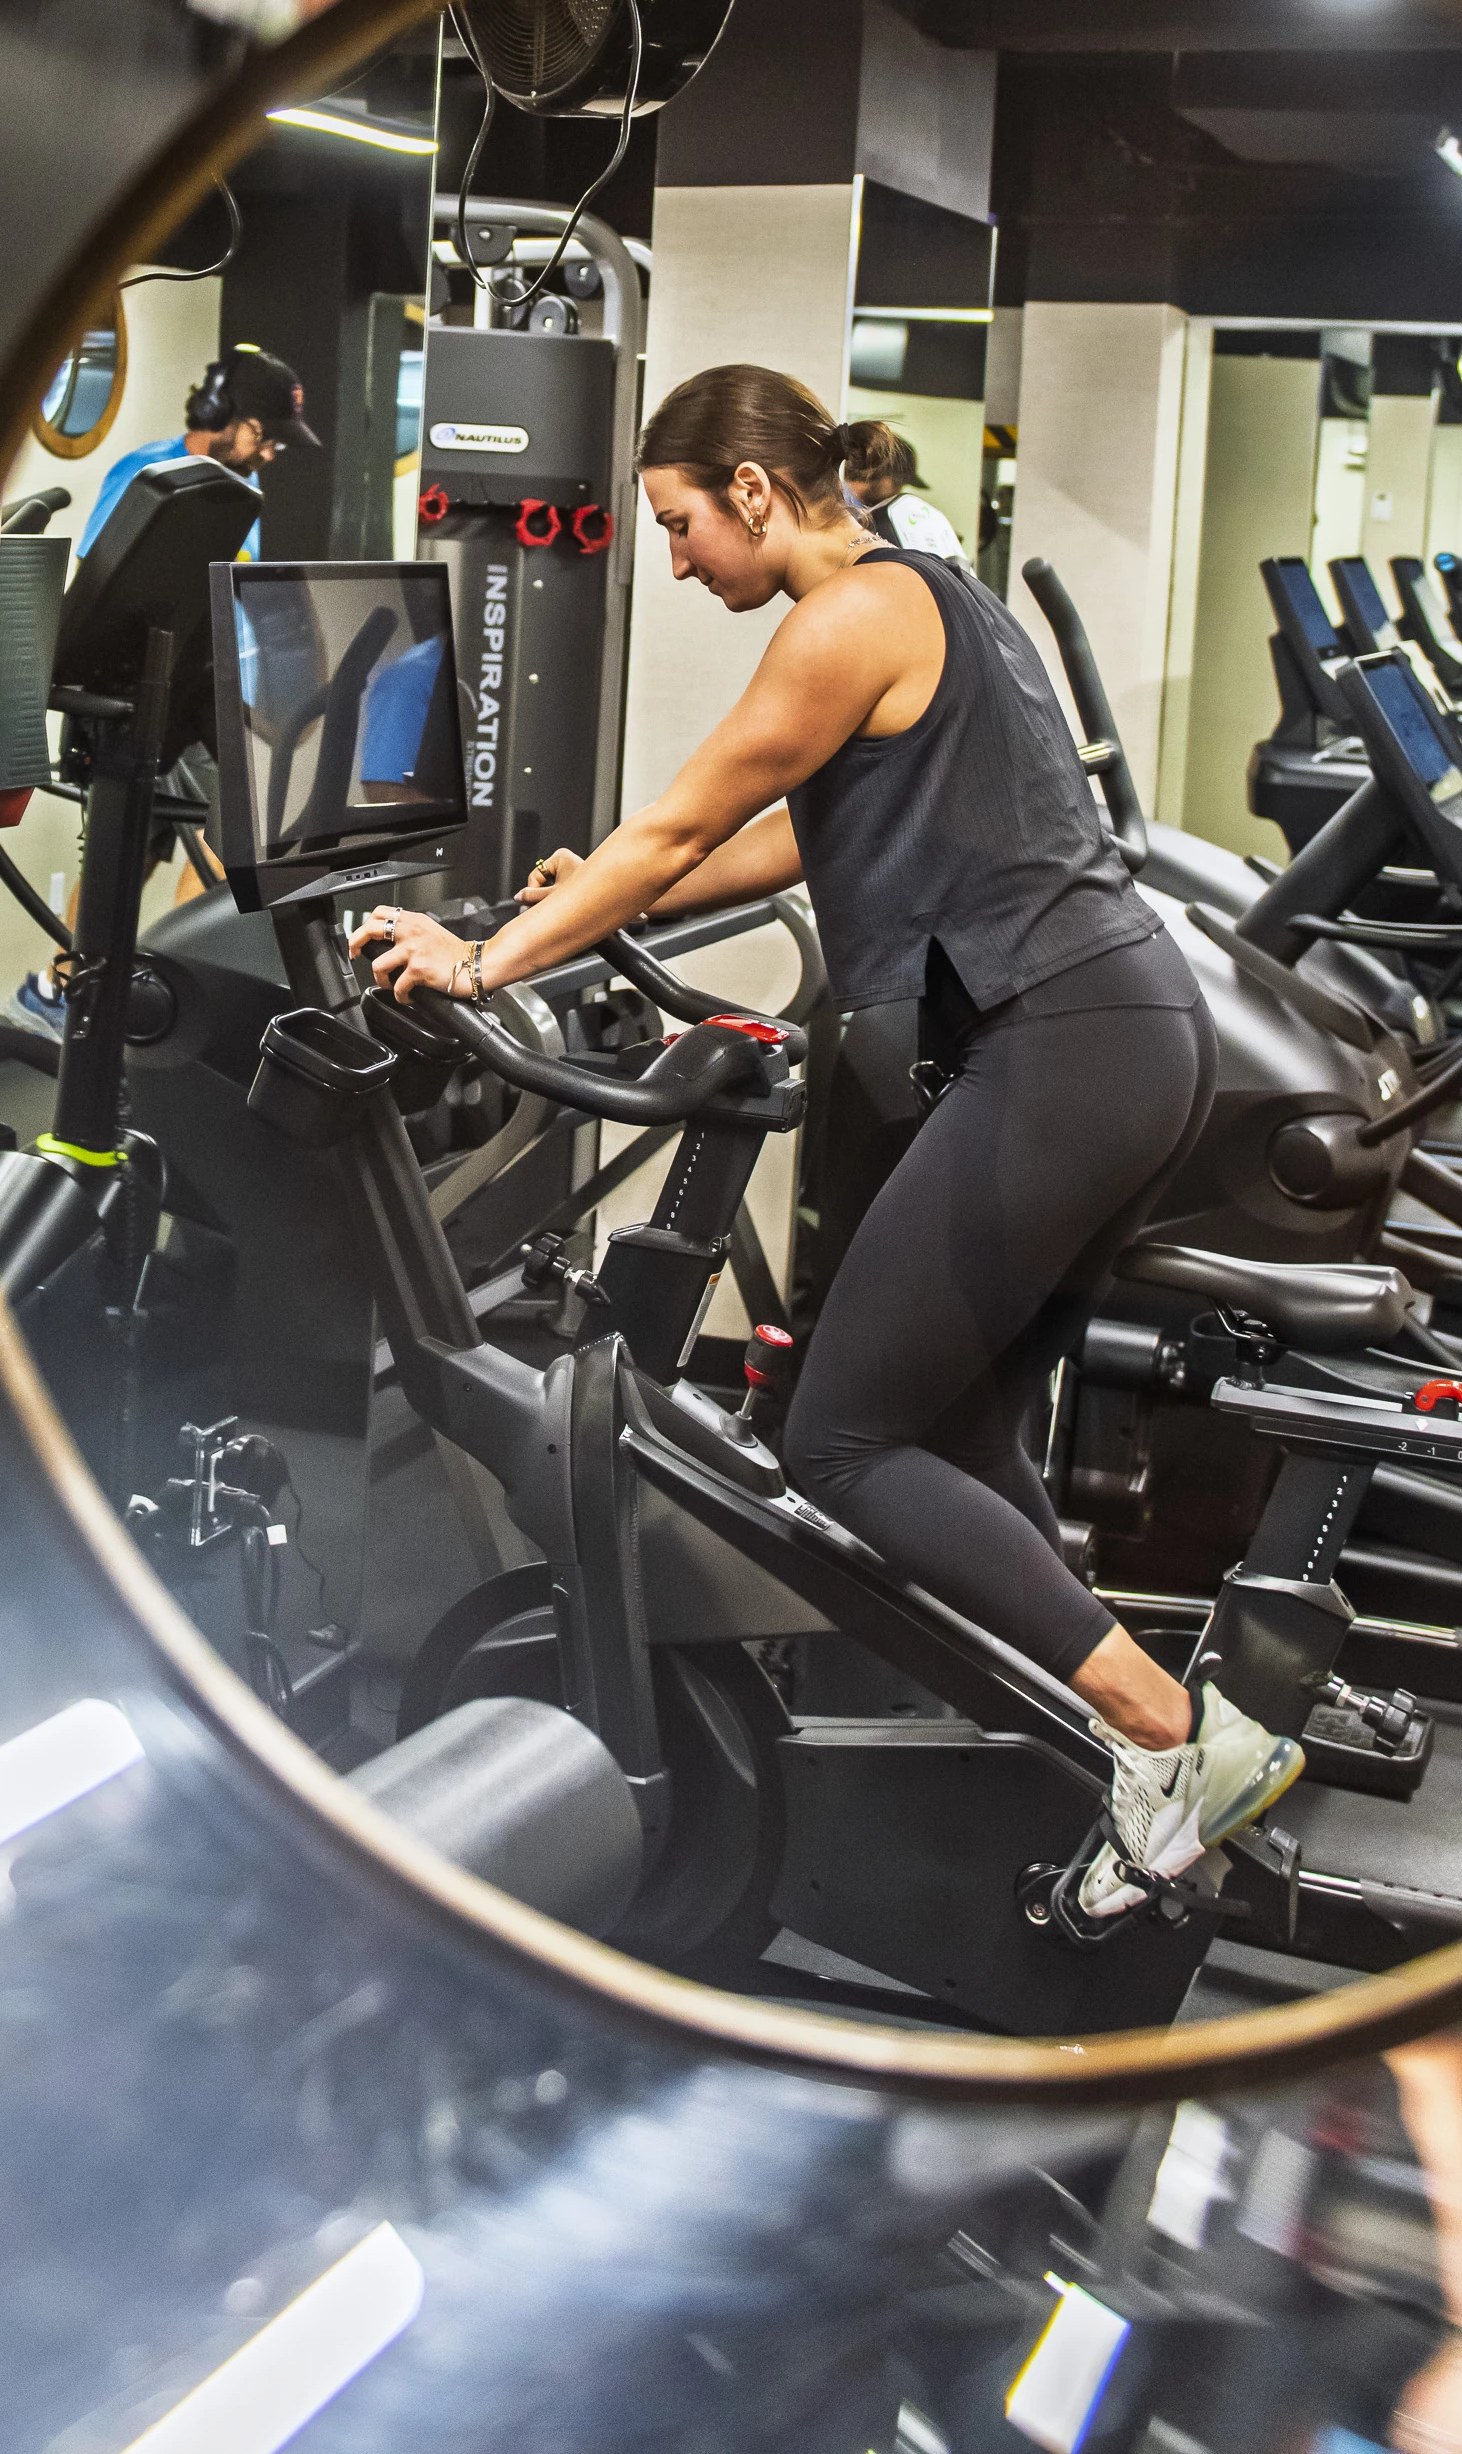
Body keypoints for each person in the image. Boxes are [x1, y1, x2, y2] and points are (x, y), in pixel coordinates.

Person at [351, 359, 1300, 1925]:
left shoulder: (841, 616)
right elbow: (800, 828)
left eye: (676, 528)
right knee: (964, 1437)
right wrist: (604, 906)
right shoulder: (929, 585)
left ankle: (1171, 1734)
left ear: (750, 491)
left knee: (840, 1443)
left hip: (1060, 1048)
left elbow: (675, 820)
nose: (674, 563)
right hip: (1126, 1036)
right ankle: (1095, 1753)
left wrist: (475, 965)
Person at [76, 340, 318, 551]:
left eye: (277, 444)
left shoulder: (244, 477)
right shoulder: (142, 473)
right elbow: (92, 586)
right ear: (219, 411)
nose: (268, 454)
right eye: (262, 436)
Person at [841, 413, 967, 562]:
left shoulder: (869, 516)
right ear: (879, 472)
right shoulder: (836, 507)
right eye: (897, 483)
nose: (898, 491)